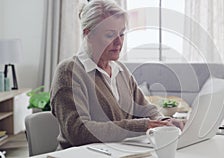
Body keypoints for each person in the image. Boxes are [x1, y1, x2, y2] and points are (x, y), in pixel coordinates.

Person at [50, 0, 183, 149]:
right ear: (88, 34)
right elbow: (78, 132)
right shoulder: (69, 72)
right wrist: (141, 126)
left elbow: (144, 107)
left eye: (121, 34)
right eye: (110, 35)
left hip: (120, 152)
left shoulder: (120, 70)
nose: (119, 42)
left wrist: (163, 121)